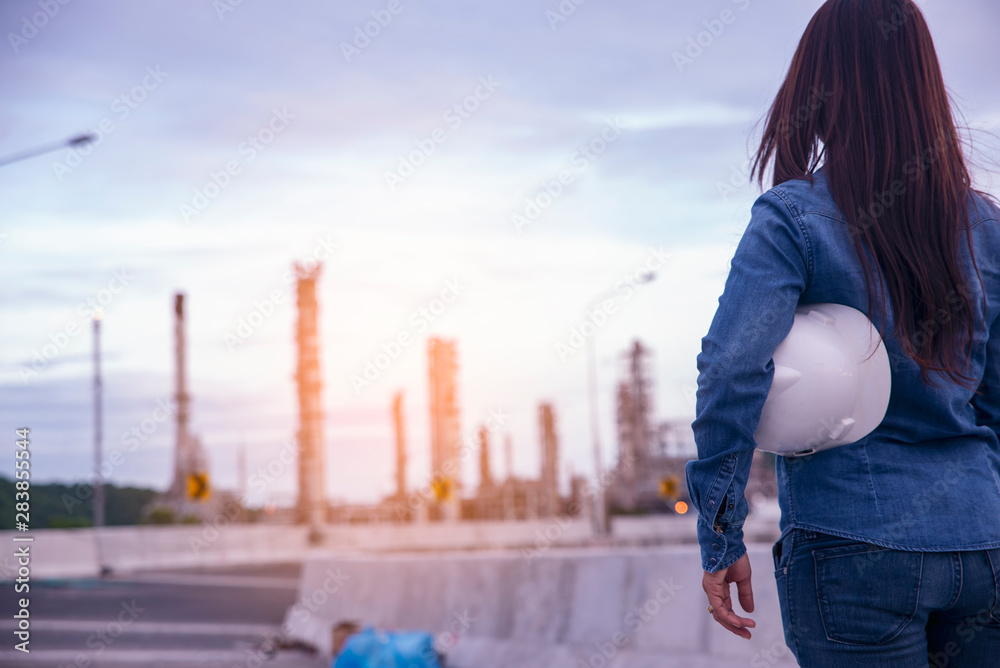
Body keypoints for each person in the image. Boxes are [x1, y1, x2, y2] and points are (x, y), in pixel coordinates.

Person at [683, 0, 1000, 665]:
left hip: (853, 547)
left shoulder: (794, 219)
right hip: (984, 548)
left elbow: (731, 369)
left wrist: (721, 534)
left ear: (819, 91)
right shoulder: (984, 228)